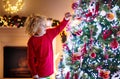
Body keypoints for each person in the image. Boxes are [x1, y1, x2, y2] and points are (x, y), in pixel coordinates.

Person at [24, 12, 71, 79]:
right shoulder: (31, 41)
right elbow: (30, 59)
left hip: (49, 71)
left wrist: (66, 19)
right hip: (39, 74)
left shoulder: (48, 34)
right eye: (43, 25)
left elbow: (59, 28)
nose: (45, 27)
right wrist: (34, 74)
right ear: (35, 28)